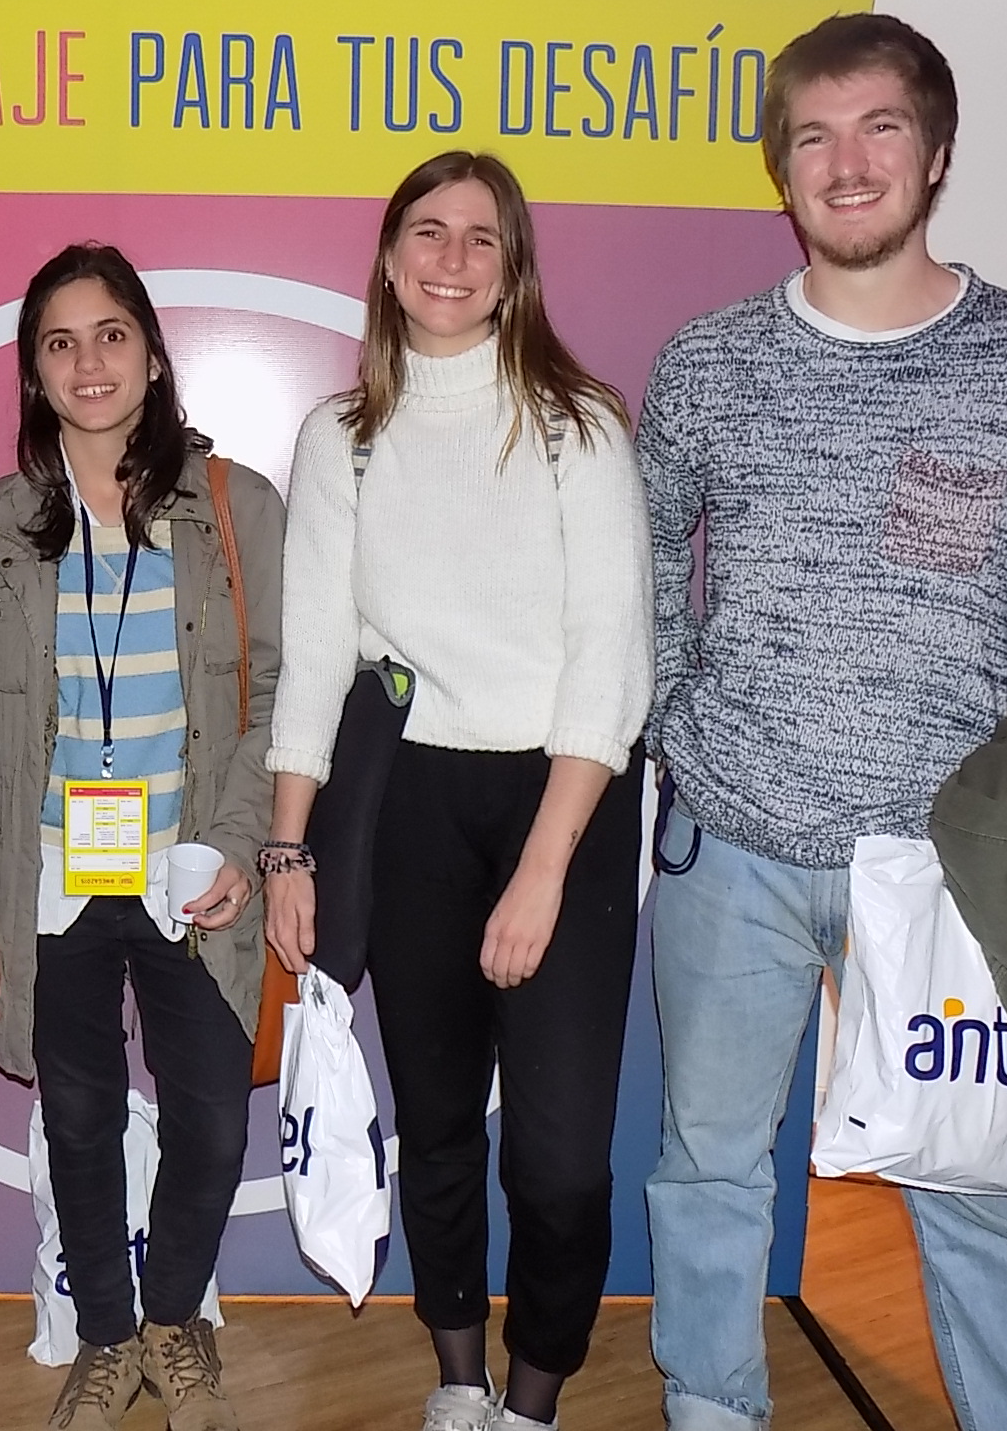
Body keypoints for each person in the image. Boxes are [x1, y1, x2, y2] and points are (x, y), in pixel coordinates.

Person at [639, 12, 1007, 1431]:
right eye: (813, 137)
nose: (846, 165)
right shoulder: (710, 362)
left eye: (881, 128)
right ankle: (710, 1412)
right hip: (727, 844)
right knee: (709, 1168)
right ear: (778, 172)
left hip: (955, 865)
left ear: (938, 153)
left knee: (976, 1187)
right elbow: (652, 559)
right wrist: (678, 720)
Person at [265, 152, 653, 1431]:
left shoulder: (577, 427)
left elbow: (615, 659)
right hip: (410, 808)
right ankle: (457, 1383)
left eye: (479, 238)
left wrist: (543, 869)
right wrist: (285, 852)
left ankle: (533, 1404)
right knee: (434, 1129)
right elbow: (316, 656)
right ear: (386, 259)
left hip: (565, 808)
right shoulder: (343, 438)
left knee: (557, 1159)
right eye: (425, 233)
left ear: (513, 266)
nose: (448, 258)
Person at [0, 244, 283, 1431]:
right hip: (51, 880)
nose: (88, 362)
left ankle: (174, 1321)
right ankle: (108, 1338)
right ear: (33, 368)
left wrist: (232, 844)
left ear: (153, 353)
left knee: (214, 1115)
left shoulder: (236, 509)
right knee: (75, 1115)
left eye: (111, 334)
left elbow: (275, 693)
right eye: (60, 341)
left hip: (193, 877)